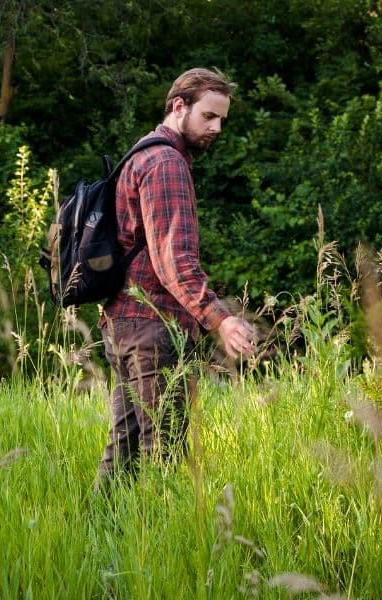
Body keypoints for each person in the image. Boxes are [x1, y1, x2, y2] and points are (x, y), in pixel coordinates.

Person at [96, 67, 256, 488]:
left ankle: (101, 546)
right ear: (178, 106)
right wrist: (221, 318)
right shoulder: (166, 163)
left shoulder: (142, 153)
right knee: (163, 454)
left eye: (222, 119)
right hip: (152, 327)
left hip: (124, 323)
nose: (217, 127)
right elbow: (174, 259)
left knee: (124, 454)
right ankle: (161, 546)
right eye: (209, 116)